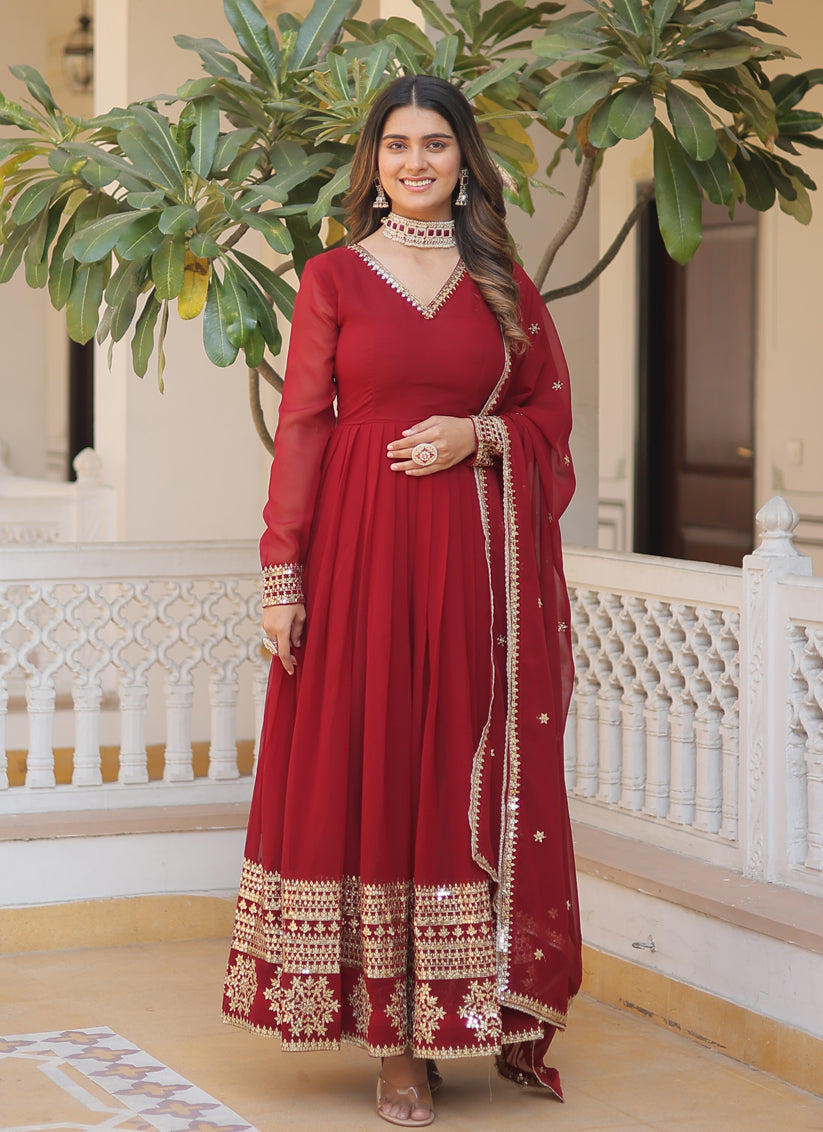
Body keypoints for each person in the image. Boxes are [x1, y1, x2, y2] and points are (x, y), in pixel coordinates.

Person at [222, 74, 582, 1128]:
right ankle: (394, 1043)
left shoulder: (503, 280)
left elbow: (547, 414)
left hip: (471, 561)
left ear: (466, 159)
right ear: (371, 161)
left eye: (434, 144)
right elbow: (301, 427)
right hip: (360, 552)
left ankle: (453, 1014)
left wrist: (480, 437)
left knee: (448, 761)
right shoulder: (334, 275)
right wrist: (281, 574)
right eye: (395, 145)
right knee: (374, 758)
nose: (415, 162)